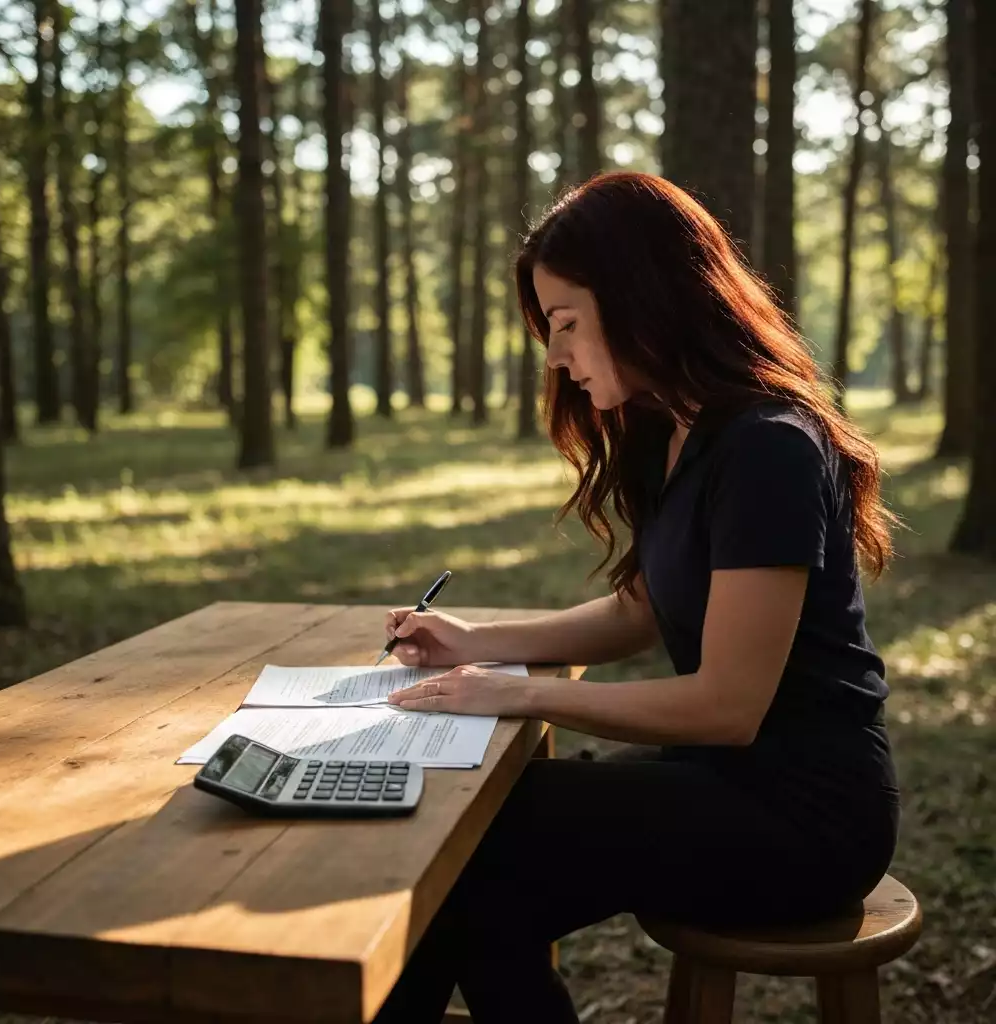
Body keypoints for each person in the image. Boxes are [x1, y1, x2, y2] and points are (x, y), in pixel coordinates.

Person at [371, 171, 901, 1024]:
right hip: (724, 778)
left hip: (808, 813)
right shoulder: (674, 426)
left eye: (567, 325)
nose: (553, 356)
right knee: (472, 858)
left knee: (472, 855)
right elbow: (641, 611)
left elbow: (729, 705)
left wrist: (517, 691)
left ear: (643, 297)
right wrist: (473, 642)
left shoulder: (769, 449)